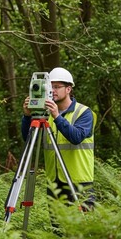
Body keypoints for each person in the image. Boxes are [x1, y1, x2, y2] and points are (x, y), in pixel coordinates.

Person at [21, 67, 96, 211]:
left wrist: (57, 117)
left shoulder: (84, 112)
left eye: (56, 87)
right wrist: (27, 116)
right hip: (55, 183)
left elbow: (76, 137)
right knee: (58, 229)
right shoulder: (45, 114)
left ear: (68, 89)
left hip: (80, 182)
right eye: (50, 86)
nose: (52, 90)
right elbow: (28, 139)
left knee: (84, 230)